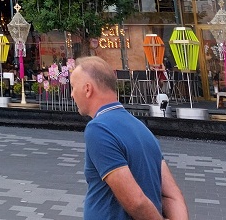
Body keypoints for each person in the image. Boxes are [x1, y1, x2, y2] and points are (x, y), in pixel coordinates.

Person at [70, 56, 188, 220]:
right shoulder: (141, 127)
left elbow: (135, 201)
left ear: (87, 89)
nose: (72, 94)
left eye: (73, 87)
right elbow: (172, 196)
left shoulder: (99, 129)